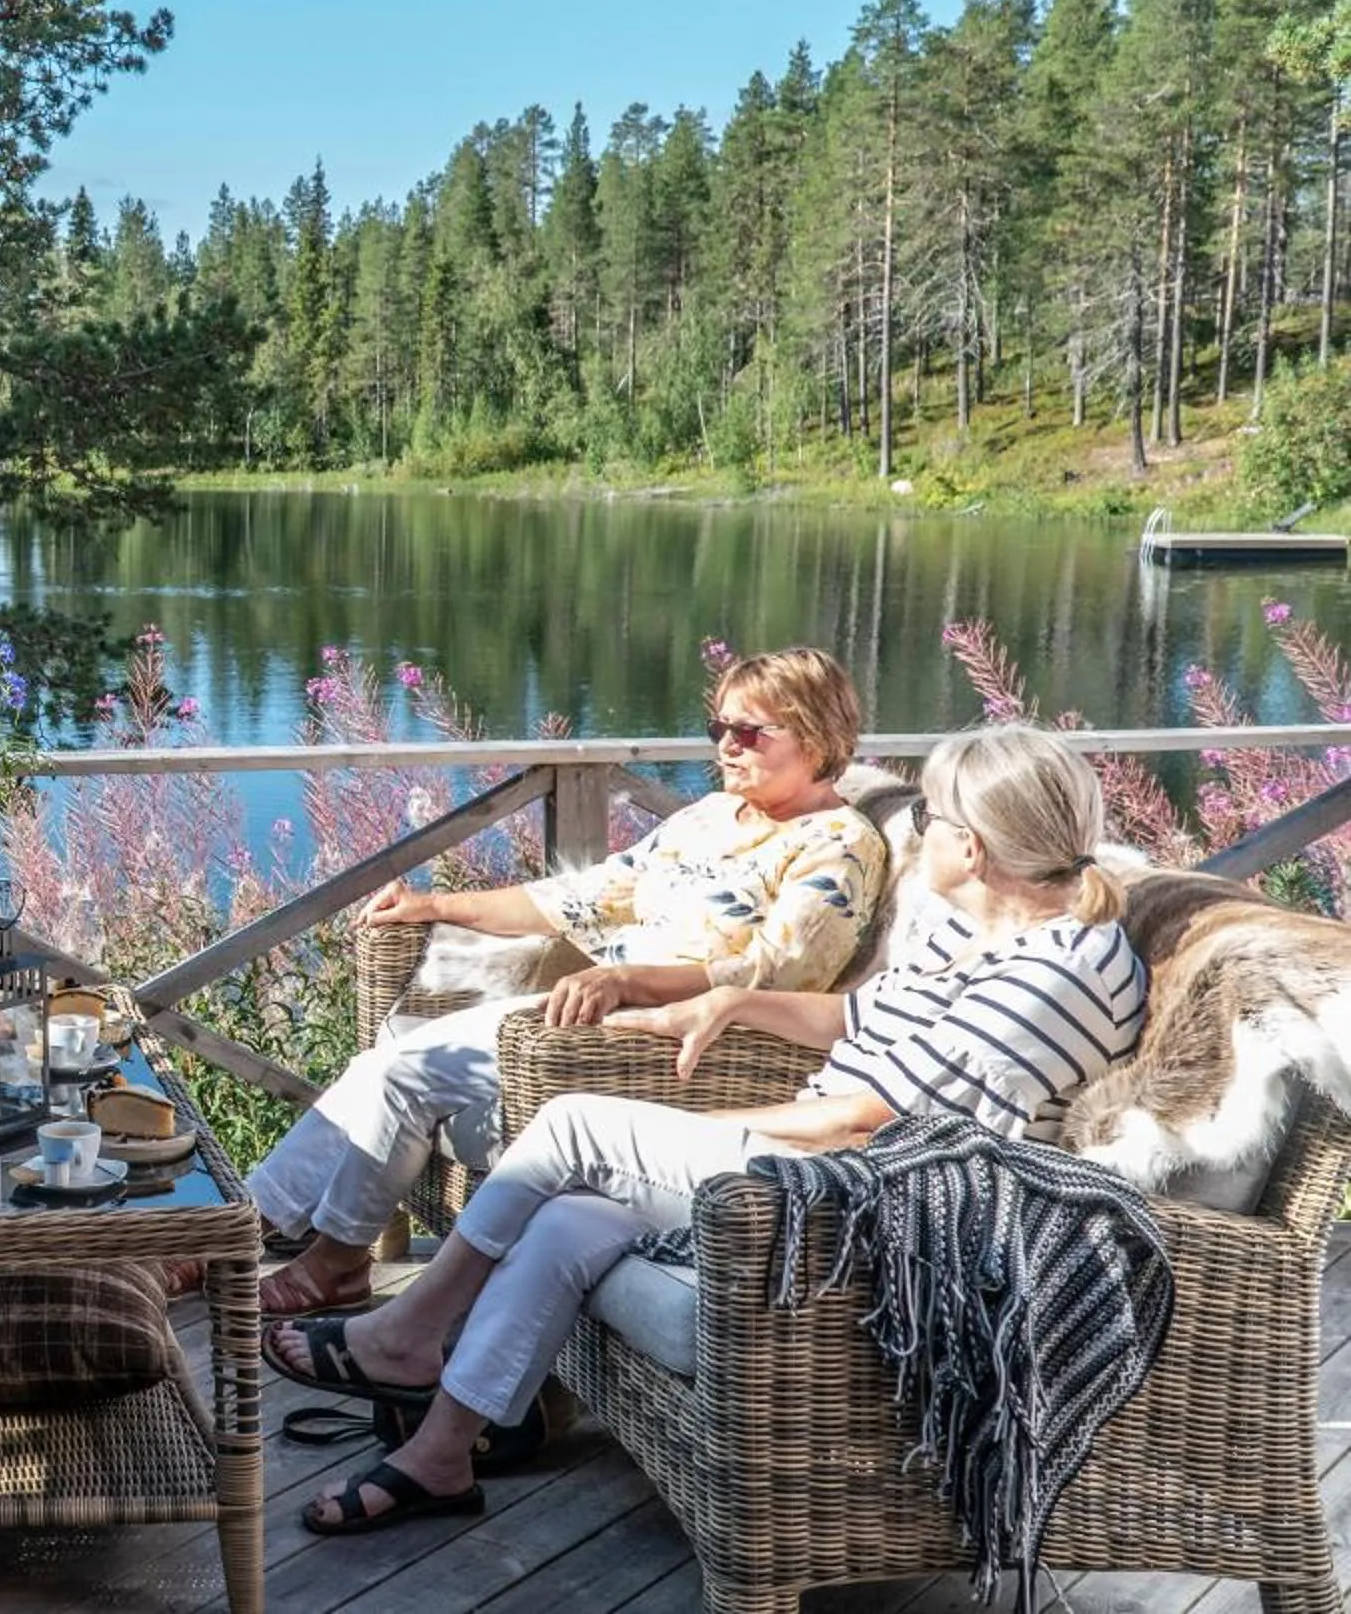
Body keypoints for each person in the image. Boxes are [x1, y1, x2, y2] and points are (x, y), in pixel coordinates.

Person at [277, 723, 1143, 1534]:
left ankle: (406, 1333)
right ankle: (439, 1456)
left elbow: (870, 1116)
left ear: (975, 847)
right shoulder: (975, 929)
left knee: (576, 1128)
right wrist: (732, 1000)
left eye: (931, 817)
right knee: (570, 1217)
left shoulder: (1062, 971)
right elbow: (854, 1019)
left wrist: (674, 1129)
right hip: (827, 1160)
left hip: (877, 1198)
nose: (921, 832)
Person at [228, 647, 887, 1316]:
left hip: (684, 1038)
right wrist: (435, 905)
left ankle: (303, 1255)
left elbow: (775, 972)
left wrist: (630, 981)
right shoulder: (708, 819)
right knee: (391, 1065)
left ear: (817, 733)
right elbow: (583, 897)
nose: (728, 747)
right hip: (595, 1011)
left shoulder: (837, 842)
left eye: (751, 732)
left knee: (405, 1072)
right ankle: (249, 1235)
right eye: (720, 728)